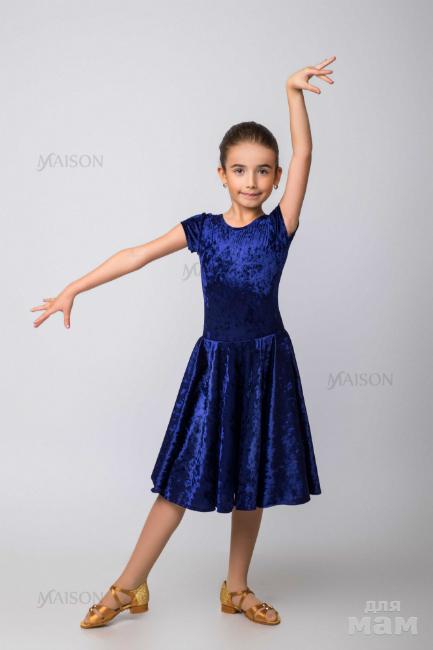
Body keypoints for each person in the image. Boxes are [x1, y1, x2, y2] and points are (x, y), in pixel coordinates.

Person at [31, 55, 336, 629]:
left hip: (267, 364)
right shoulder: (203, 230)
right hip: (216, 366)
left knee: (252, 481)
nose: (252, 181)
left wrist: (291, 93)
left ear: (275, 177)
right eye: (240, 170)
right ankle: (127, 586)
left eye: (263, 171)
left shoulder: (280, 227)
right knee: (179, 481)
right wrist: (74, 287)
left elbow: (305, 155)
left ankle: (237, 588)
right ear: (221, 174)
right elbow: (138, 254)